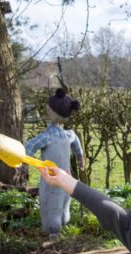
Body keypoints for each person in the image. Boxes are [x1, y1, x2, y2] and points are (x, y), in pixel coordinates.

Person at [22, 87, 85, 237]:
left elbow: (29, 146)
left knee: (51, 203)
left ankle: (53, 232)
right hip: (67, 176)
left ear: (50, 111)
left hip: (50, 178)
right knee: (64, 201)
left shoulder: (47, 137)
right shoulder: (69, 135)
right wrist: (80, 161)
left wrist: (24, 165)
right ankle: (62, 224)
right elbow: (78, 148)